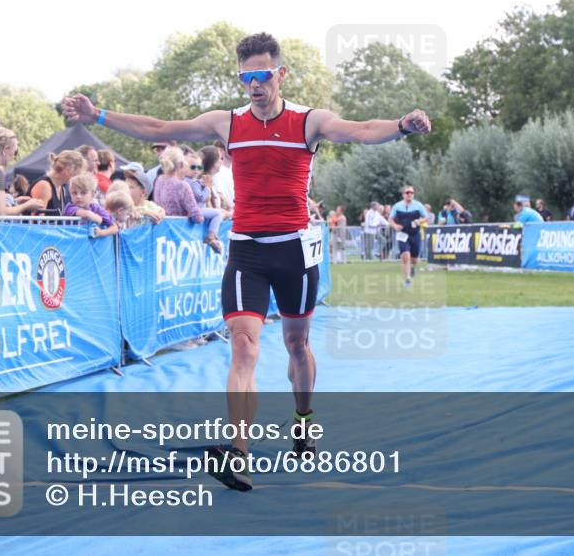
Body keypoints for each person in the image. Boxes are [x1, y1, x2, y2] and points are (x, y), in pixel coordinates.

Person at [62, 31, 431, 492]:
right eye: (246, 77)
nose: (254, 85)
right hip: (248, 250)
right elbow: (160, 129)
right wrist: (98, 114)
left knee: (297, 345)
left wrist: (401, 125)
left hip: (295, 249)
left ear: (280, 74)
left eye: (262, 75)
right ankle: (239, 453)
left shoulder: (307, 121)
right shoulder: (228, 123)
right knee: (244, 347)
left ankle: (303, 416)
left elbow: (359, 131)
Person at [184, 148, 225, 253]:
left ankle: (213, 236)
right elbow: (201, 197)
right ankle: (211, 235)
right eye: (193, 167)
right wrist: (207, 187)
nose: (196, 170)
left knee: (217, 213)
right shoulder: (190, 182)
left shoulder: (193, 181)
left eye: (199, 167)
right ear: (184, 167)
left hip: (197, 210)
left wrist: (203, 185)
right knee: (218, 213)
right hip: (196, 210)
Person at [389, 184, 427, 287]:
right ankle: (408, 279)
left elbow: (426, 217)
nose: (409, 194)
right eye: (407, 193)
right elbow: (390, 219)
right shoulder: (397, 206)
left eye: (411, 193)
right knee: (406, 257)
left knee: (414, 259)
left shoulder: (418, 205)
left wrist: (419, 220)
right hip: (402, 235)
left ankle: (413, 268)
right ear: (403, 195)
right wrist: (395, 225)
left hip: (415, 235)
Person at [29, 150, 83, 215]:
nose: (76, 177)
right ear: (68, 170)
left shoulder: (61, 188)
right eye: (76, 173)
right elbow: (36, 220)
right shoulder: (44, 186)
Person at [200, 144, 233, 218]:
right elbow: (211, 210)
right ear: (213, 162)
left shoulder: (211, 181)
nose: (222, 161)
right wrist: (230, 214)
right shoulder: (202, 182)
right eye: (220, 158)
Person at [212, 139, 235, 207]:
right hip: (230, 215)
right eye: (232, 148)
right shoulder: (217, 171)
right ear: (221, 151)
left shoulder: (235, 169)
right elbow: (220, 194)